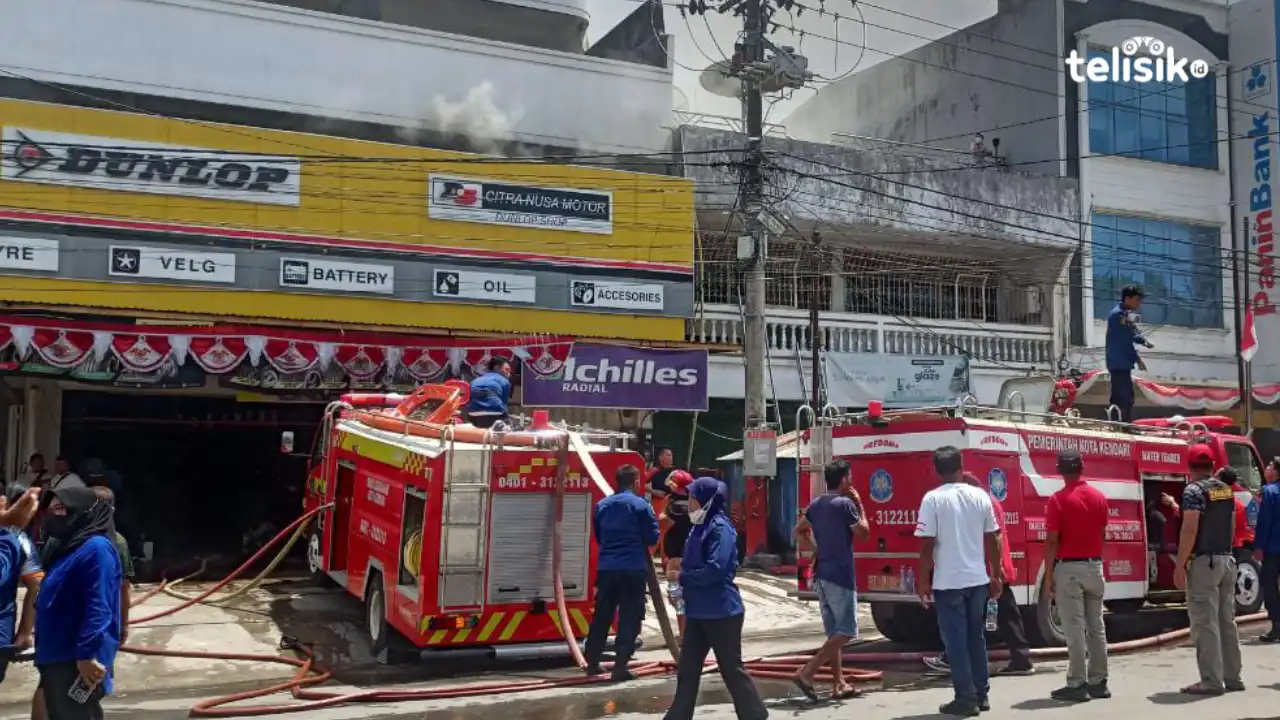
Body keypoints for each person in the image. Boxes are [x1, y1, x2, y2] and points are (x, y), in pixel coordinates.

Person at [663, 477, 768, 720]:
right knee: (688, 668)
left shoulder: (720, 529)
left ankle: (754, 715)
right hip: (698, 610)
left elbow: (716, 569)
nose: (689, 502)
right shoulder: (698, 527)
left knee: (731, 668)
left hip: (721, 611)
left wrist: (683, 577)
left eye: (692, 497)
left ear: (706, 501)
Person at [914, 447, 1003, 718]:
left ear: (936, 470)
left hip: (949, 582)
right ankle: (981, 693)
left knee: (956, 643)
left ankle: (966, 699)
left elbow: (927, 544)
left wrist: (923, 581)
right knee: (976, 638)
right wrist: (996, 574)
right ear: (961, 467)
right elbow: (994, 537)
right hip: (977, 581)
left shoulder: (932, 499)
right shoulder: (980, 496)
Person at [924, 471, 1033, 677]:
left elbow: (989, 539)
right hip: (994, 569)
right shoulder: (988, 502)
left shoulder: (979, 504)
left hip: (986, 570)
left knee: (967, 618)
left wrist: (993, 569)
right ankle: (1021, 658)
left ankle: (954, 659)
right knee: (1006, 616)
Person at [34, 486, 124, 720]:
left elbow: (98, 605)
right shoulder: (69, 548)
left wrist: (86, 655)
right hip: (56, 657)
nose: (54, 516)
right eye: (51, 510)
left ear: (82, 511)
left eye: (61, 509)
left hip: (75, 662)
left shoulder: (96, 549)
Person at [791, 459, 868, 701]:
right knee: (846, 632)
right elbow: (864, 533)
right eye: (850, 477)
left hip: (821, 574)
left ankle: (838, 683)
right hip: (840, 575)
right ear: (844, 479)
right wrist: (860, 504)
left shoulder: (816, 504)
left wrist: (815, 549)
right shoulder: (846, 504)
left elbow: (798, 530)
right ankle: (807, 672)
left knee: (834, 632)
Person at [1173, 444, 1243, 695]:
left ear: (1190, 466)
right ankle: (1232, 677)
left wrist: (1180, 565)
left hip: (1204, 563)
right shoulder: (1225, 490)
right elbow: (1231, 526)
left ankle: (1211, 681)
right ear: (1213, 465)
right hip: (1226, 560)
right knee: (1227, 622)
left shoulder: (1193, 491)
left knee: (1205, 623)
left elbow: (1190, 529)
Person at [1042, 450, 1110, 702]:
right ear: (1082, 467)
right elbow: (1102, 533)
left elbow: (1052, 541)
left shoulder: (1058, 500)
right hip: (1094, 566)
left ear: (1060, 471)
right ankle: (1099, 682)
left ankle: (1077, 683)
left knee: (1074, 628)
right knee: (1096, 626)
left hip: (1069, 569)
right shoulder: (1099, 497)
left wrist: (1049, 576)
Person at [583, 464, 658, 680]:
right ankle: (620, 666)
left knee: (602, 614)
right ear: (636, 481)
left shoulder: (602, 505)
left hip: (607, 568)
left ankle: (592, 662)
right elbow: (652, 537)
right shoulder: (641, 505)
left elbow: (599, 535)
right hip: (632, 568)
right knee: (629, 616)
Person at [0, 487, 42, 685]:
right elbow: (36, 585)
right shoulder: (14, 537)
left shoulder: (16, 537)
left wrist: (25, 632)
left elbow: (36, 584)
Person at [1105, 284, 1153, 423]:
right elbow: (1125, 341)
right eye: (1137, 300)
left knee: (1124, 396)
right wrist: (1138, 359)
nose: (1139, 304)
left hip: (1122, 362)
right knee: (1123, 397)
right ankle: (1122, 426)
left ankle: (1122, 424)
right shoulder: (1118, 315)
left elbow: (1133, 331)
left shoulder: (1125, 314)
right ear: (1128, 298)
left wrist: (1144, 341)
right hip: (1118, 362)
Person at [659, 469, 694, 639]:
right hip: (692, 556)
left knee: (679, 599)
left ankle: (684, 636)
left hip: (677, 560)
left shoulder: (675, 507)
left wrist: (664, 507)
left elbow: (662, 524)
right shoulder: (694, 504)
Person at [1258, 458, 1280, 643]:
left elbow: (1264, 521)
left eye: (1269, 466)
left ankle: (1277, 626)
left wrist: (1259, 546)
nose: (1266, 469)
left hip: (1273, 547)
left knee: (1270, 585)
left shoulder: (1269, 491)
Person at [464, 357, 512, 429]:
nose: (509, 374)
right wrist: (508, 420)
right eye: (507, 370)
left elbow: (470, 399)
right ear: (496, 367)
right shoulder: (504, 381)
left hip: (473, 415)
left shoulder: (475, 381)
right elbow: (504, 404)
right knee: (509, 426)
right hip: (495, 414)